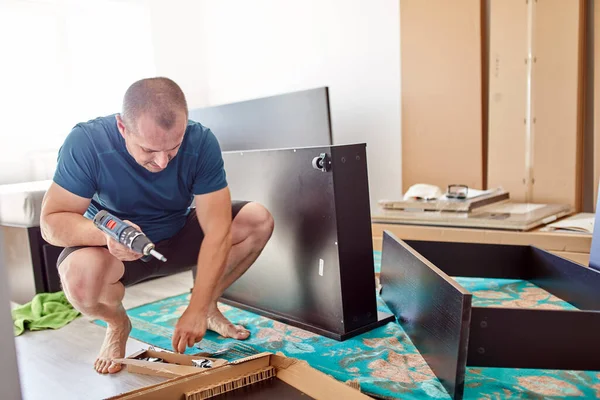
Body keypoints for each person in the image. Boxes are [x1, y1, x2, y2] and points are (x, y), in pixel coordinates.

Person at [39, 77, 274, 374]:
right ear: (123, 128)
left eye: (173, 148)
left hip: (177, 234)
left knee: (257, 219)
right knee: (79, 278)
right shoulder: (86, 143)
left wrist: (199, 305)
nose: (162, 162)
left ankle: (211, 305)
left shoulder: (201, 141)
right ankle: (117, 324)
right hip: (117, 250)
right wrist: (106, 235)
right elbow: (51, 222)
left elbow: (218, 232)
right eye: (149, 150)